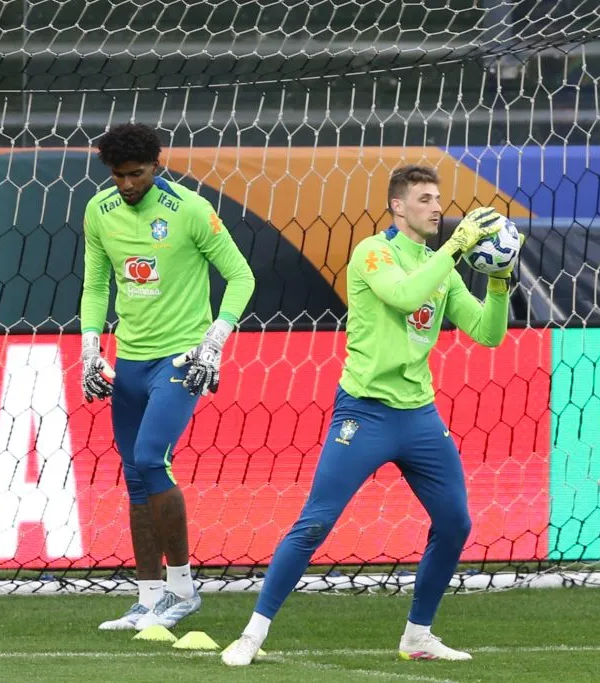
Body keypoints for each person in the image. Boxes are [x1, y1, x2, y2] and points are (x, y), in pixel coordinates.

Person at [221, 164, 523, 666]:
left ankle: (417, 635)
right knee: (315, 524)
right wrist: (452, 250)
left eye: (438, 198)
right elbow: (404, 296)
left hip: (419, 417)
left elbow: (489, 334)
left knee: (455, 523)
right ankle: (252, 633)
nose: (437, 208)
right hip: (364, 413)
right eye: (424, 199)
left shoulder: (439, 266)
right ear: (398, 206)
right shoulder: (373, 252)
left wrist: (498, 282)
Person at [80, 123, 255, 631]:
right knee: (134, 475)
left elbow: (242, 276)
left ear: (157, 165)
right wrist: (91, 347)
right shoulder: (99, 210)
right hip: (130, 360)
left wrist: (214, 343)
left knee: (152, 459)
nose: (128, 184)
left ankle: (183, 590)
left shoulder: (192, 211)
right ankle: (148, 598)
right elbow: (95, 283)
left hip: (180, 360)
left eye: (136, 174)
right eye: (119, 176)